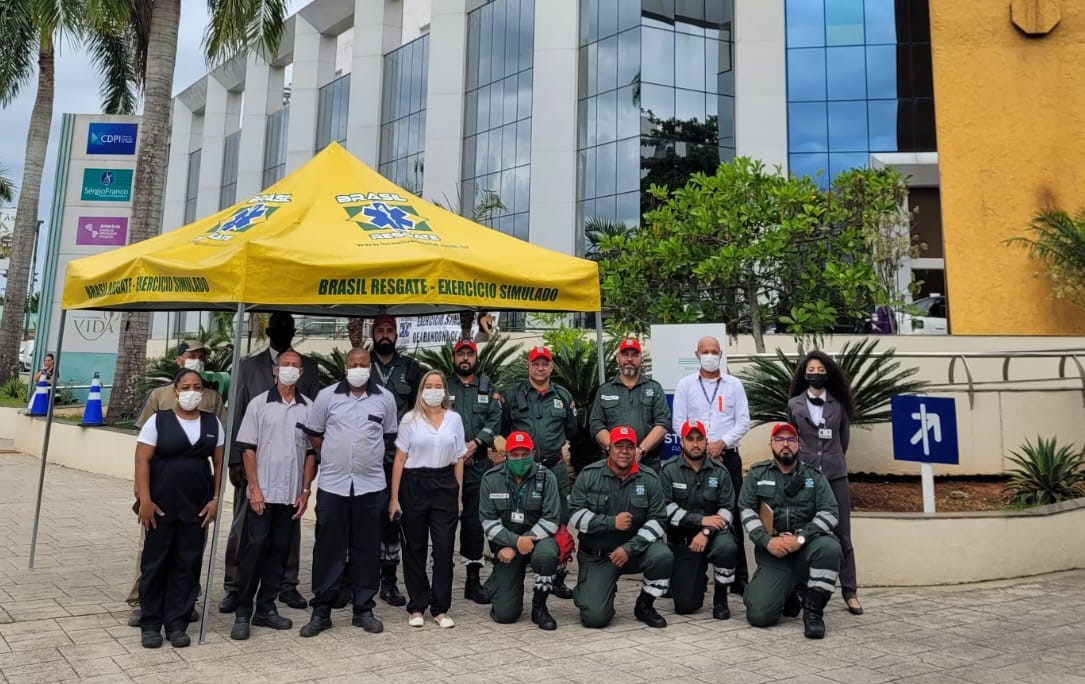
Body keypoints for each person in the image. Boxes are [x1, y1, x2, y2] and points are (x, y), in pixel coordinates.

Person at [221, 313, 320, 614]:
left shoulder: (311, 368)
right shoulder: (249, 366)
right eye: (277, 326)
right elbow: (237, 410)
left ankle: (285, 587)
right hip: (254, 468)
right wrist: (235, 459)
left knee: (287, 533)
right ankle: (235, 586)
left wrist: (308, 481)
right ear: (269, 329)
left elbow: (314, 429)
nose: (283, 331)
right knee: (245, 529)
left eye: (288, 326)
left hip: (292, 472)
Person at [126, 341, 227, 628]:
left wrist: (217, 497)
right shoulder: (158, 401)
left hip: (195, 499)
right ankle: (146, 609)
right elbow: (142, 455)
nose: (192, 393)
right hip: (160, 497)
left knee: (188, 558)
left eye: (201, 358)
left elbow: (218, 457)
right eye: (192, 357)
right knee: (154, 556)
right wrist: (142, 495)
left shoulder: (213, 403)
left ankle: (180, 612)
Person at [299, 347, 397, 637]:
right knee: (328, 548)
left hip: (371, 486)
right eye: (353, 363)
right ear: (345, 366)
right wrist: (331, 453)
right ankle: (322, 610)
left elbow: (389, 436)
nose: (358, 368)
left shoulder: (386, 399)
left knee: (367, 548)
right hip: (333, 485)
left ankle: (363, 608)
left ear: (370, 367)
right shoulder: (327, 396)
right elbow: (315, 433)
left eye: (363, 364)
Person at [739, 423, 842, 639]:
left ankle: (813, 613)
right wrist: (767, 541)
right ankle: (787, 592)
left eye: (790, 440)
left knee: (830, 547)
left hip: (805, 549)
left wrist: (801, 537)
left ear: (798, 445)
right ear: (771, 444)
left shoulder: (814, 476)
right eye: (779, 439)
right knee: (759, 616)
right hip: (773, 552)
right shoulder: (758, 474)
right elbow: (746, 510)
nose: (785, 444)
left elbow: (831, 513)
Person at [568, 426, 673, 628]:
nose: (625, 451)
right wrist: (610, 522)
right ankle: (597, 589)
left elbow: (658, 521)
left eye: (630, 446)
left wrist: (629, 548)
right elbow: (575, 515)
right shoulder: (589, 475)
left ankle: (645, 604)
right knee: (595, 619)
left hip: (634, 553)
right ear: (609, 448)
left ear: (636, 450)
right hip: (598, 556)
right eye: (619, 446)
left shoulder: (649, 478)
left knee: (662, 556)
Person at [671, 335, 751, 593]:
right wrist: (703, 446)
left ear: (721, 354)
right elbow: (678, 422)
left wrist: (722, 443)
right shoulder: (685, 385)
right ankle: (694, 573)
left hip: (727, 456)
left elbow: (743, 421)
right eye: (705, 351)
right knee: (694, 509)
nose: (709, 355)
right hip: (696, 457)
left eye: (714, 351)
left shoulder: (734, 385)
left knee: (733, 512)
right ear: (697, 355)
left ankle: (738, 577)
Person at [786, 350, 862, 615]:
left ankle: (850, 591)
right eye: (811, 371)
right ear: (803, 374)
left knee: (842, 534)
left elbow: (843, 441)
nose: (815, 375)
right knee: (804, 530)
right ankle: (802, 588)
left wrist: (831, 459)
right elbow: (792, 439)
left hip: (835, 473)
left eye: (820, 370)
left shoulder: (838, 405)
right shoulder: (794, 404)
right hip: (806, 475)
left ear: (828, 373)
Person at [389, 370, 465, 628]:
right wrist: (394, 498)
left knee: (444, 549)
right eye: (428, 386)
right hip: (414, 484)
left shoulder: (454, 419)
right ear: (421, 391)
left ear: (444, 390)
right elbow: (400, 459)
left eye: (438, 385)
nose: (433, 390)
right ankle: (417, 606)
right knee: (415, 548)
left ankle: (440, 607)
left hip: (445, 484)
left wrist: (458, 494)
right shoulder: (410, 419)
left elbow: (459, 459)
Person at [501, 346, 578, 599]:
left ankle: (557, 575)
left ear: (551, 367)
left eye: (545, 363)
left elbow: (571, 429)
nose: (540, 368)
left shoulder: (563, 396)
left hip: (554, 467)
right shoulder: (513, 396)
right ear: (529, 367)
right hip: (523, 470)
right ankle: (516, 572)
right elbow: (504, 428)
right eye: (536, 363)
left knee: (559, 522)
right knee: (521, 517)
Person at [477, 431, 561, 630]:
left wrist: (518, 545)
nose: (520, 459)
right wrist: (514, 543)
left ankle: (539, 606)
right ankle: (498, 583)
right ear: (506, 455)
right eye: (515, 455)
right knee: (505, 615)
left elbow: (551, 520)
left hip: (538, 542)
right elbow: (488, 522)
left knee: (548, 555)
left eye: (525, 454)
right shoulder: (491, 478)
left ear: (533, 453)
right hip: (506, 545)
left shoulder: (547, 478)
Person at [659, 419, 738, 619]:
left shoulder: (720, 472)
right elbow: (665, 509)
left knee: (727, 547)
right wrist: (700, 521)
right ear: (682, 442)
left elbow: (727, 510)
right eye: (690, 439)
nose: (695, 444)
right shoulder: (668, 470)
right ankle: (696, 578)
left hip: (714, 535)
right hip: (685, 541)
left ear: (706, 440)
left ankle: (721, 598)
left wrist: (705, 532)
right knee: (685, 606)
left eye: (700, 439)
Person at [370, 314, 423, 607]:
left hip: (400, 460)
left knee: (393, 520)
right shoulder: (361, 364)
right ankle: (358, 579)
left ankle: (389, 583)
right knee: (364, 520)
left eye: (390, 330)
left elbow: (419, 410)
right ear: (373, 333)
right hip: (367, 459)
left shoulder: (411, 368)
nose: (385, 335)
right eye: (380, 330)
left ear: (397, 334)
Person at [446, 339, 503, 603]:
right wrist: (457, 450)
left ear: (476, 358)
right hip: (445, 466)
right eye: (461, 354)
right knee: (443, 523)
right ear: (454, 358)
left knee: (473, 525)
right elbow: (432, 417)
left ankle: (472, 580)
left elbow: (495, 418)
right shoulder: (442, 387)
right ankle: (442, 578)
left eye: (469, 354)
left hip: (478, 466)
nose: (465, 358)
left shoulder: (488, 389)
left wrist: (476, 443)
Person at [589, 337, 671, 473]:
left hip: (647, 463)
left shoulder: (654, 388)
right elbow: (596, 424)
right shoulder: (605, 390)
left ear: (641, 359)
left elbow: (662, 423)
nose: (629, 359)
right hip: (611, 465)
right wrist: (615, 451)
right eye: (625, 354)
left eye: (634, 355)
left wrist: (640, 451)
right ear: (618, 358)